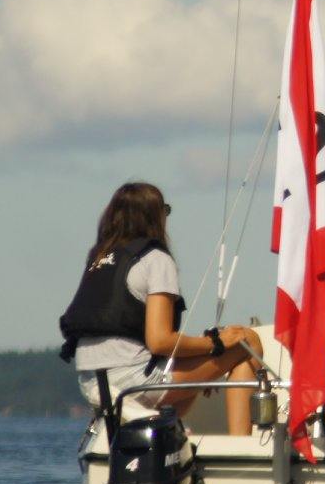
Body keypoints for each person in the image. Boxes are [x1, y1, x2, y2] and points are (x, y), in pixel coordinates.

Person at [60, 182, 263, 435]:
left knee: (203, 362)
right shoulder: (156, 260)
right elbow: (160, 341)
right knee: (247, 342)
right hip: (134, 381)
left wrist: (204, 365)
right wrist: (216, 344)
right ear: (154, 216)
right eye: (165, 211)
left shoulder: (99, 258)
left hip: (92, 383)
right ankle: (240, 448)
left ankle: (163, 429)